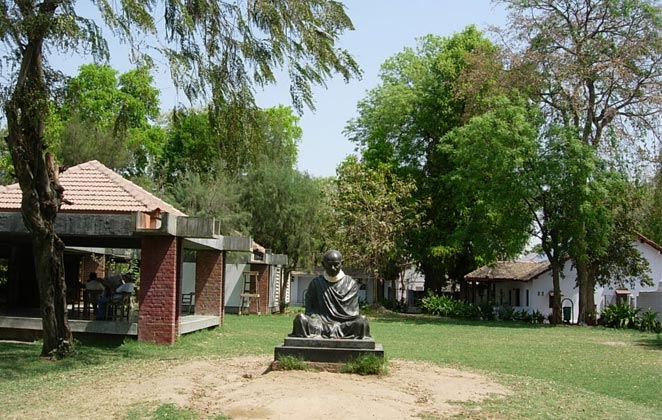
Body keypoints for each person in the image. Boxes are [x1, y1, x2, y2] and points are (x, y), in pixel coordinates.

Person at [290, 250, 371, 339]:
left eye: (336, 265)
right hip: (320, 325)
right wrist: (317, 318)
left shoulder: (351, 284)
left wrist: (336, 325)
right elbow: (310, 311)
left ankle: (332, 333)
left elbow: (353, 313)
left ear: (342, 263)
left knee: (362, 321)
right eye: (329, 265)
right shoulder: (316, 283)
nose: (333, 268)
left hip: (344, 325)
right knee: (300, 319)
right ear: (323, 264)